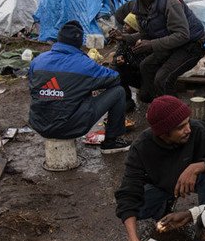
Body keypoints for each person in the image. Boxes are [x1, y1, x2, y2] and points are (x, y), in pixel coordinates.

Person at [115, 95, 205, 241]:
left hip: (197, 179)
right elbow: (128, 191)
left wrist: (196, 167)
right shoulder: (142, 147)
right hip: (161, 185)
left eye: (188, 122)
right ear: (163, 134)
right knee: (137, 210)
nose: (188, 129)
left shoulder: (198, 130)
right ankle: (164, 205)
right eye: (181, 127)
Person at [28, 21, 130, 153]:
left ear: (59, 39)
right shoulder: (85, 64)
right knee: (119, 92)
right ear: (79, 42)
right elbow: (114, 78)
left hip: (39, 123)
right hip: (70, 126)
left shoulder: (37, 61)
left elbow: (32, 87)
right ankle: (111, 142)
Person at [110, 0, 205, 103]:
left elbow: (182, 35)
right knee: (146, 66)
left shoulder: (170, 2)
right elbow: (145, 34)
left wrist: (151, 45)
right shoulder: (139, 8)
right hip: (173, 43)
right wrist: (124, 37)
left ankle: (176, 116)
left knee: (163, 78)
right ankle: (155, 103)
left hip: (192, 44)